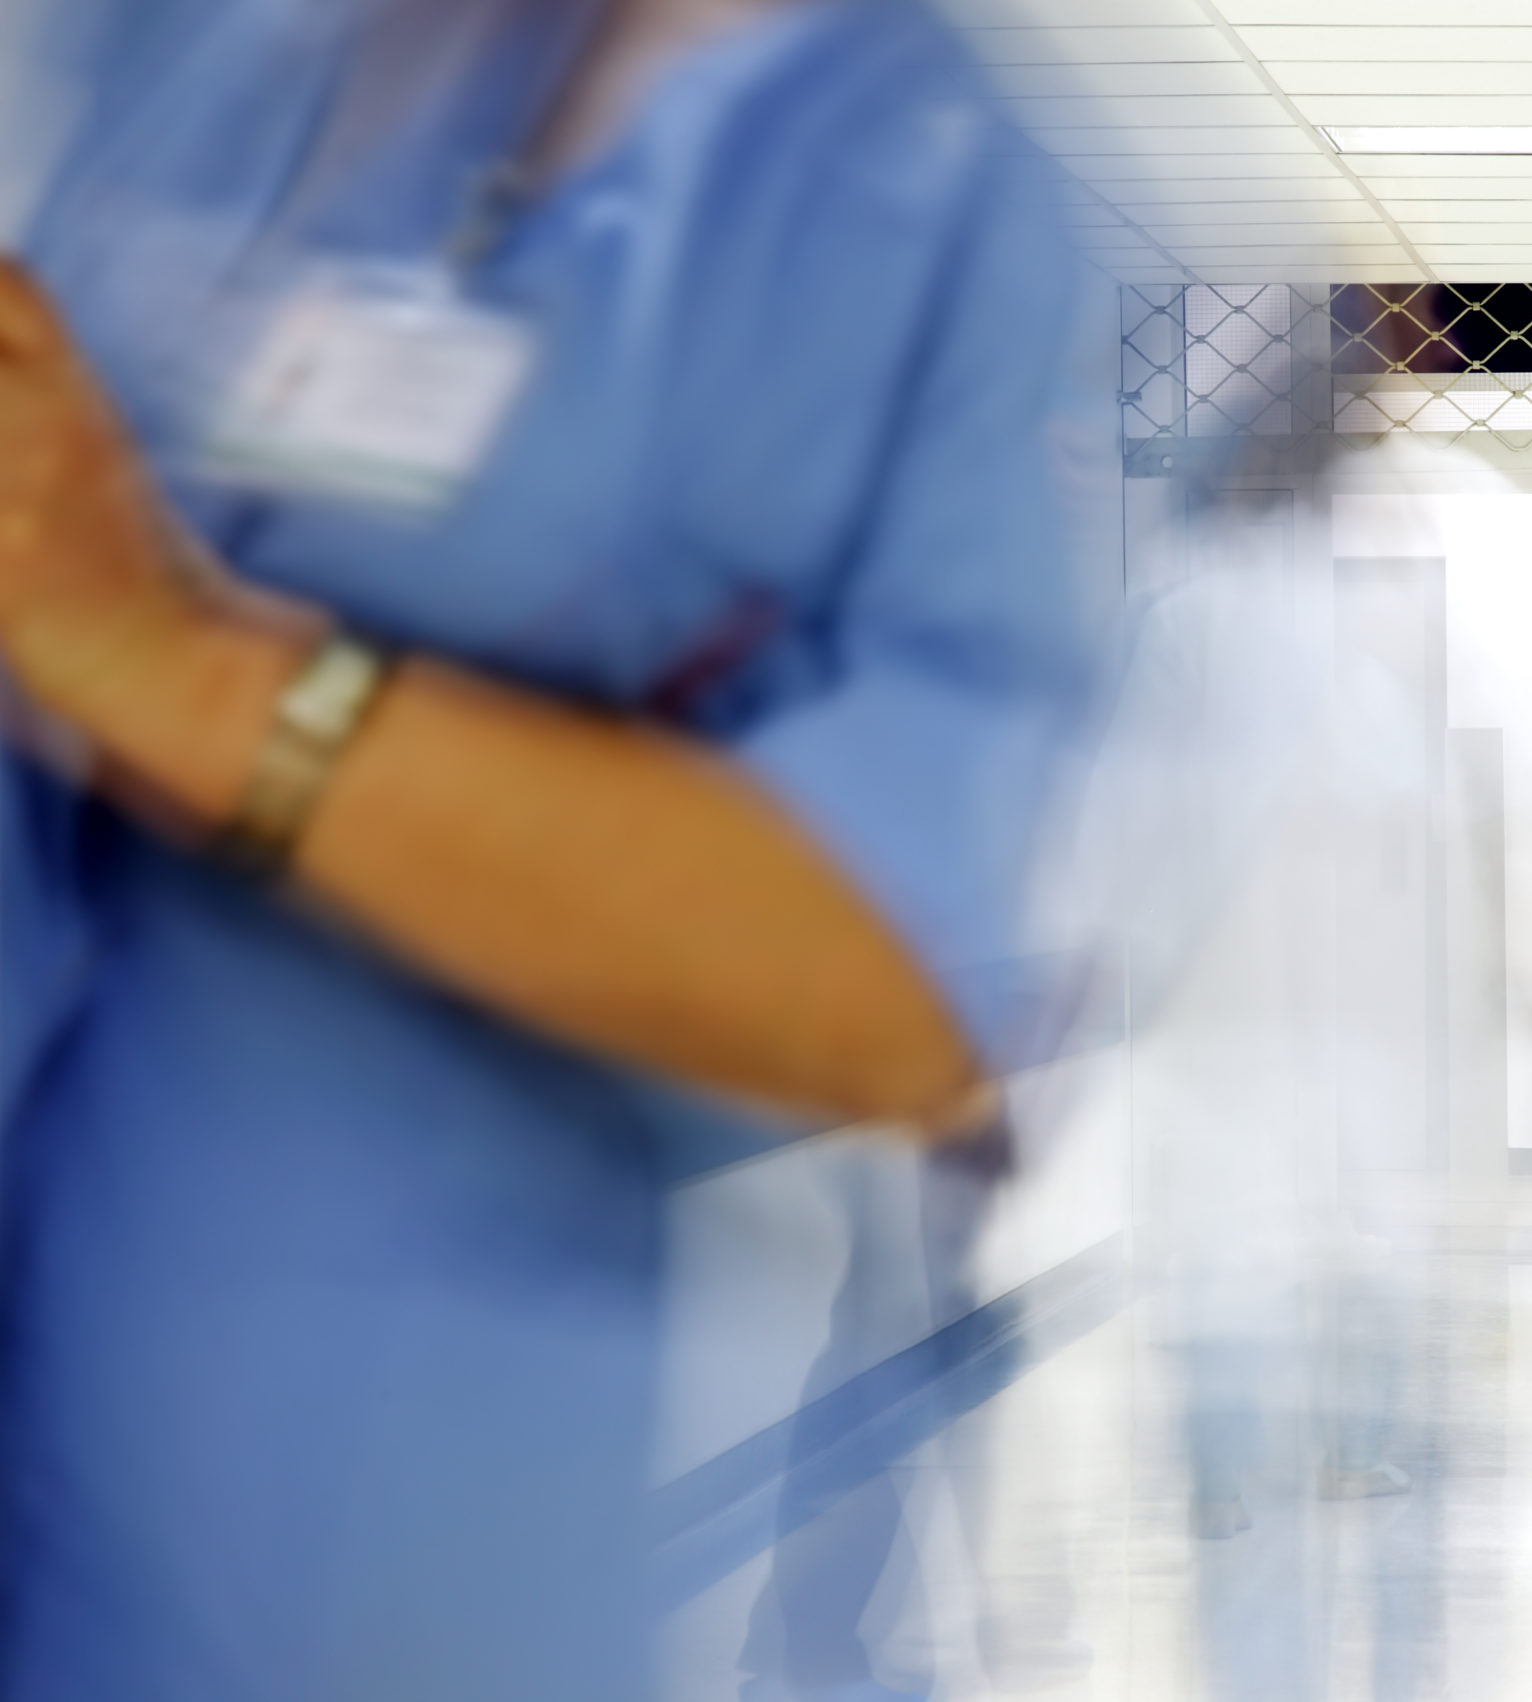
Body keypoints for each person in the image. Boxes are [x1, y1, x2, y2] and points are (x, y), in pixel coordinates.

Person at [0, 2, 1098, 1696]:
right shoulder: (195, 82)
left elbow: (887, 973)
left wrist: (174, 667)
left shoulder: (910, 181)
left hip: (376, 1504)